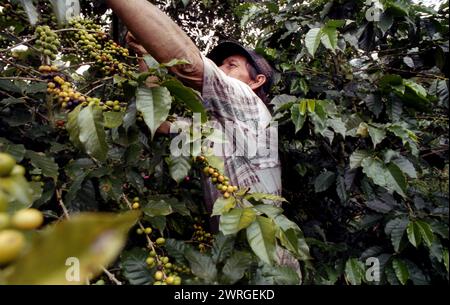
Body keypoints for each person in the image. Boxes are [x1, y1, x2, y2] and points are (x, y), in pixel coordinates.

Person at [106, 0, 301, 282]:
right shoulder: (212, 126)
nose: (221, 68)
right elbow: (159, 124)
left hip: (270, 257)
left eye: (231, 65)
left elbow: (190, 66)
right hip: (232, 256)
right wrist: (145, 57)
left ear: (257, 81)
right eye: (220, 63)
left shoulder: (249, 103)